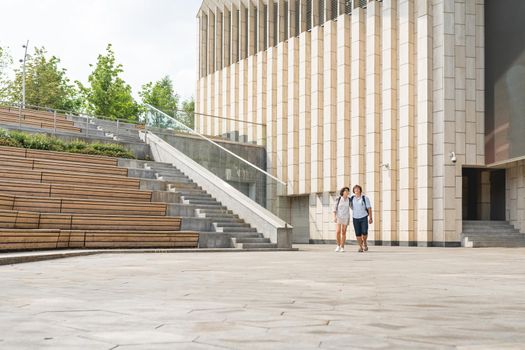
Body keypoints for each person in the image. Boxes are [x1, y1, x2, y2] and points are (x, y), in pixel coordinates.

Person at [350, 184, 373, 252]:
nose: (356, 190)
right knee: (358, 233)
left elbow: (369, 208)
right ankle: (360, 247)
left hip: (364, 217)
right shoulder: (352, 199)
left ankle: (365, 242)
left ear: (360, 190)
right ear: (353, 191)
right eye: (355, 189)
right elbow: (350, 206)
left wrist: (370, 218)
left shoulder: (364, 198)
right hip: (355, 218)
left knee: (364, 232)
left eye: (358, 189)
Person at [332, 187, 351, 252]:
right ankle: (338, 245)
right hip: (339, 217)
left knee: (343, 232)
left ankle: (342, 247)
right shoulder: (338, 199)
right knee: (338, 231)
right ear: (342, 192)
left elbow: (353, 207)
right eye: (345, 191)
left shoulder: (349, 200)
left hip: (346, 217)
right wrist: (334, 217)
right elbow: (334, 209)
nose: (347, 192)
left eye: (347, 191)